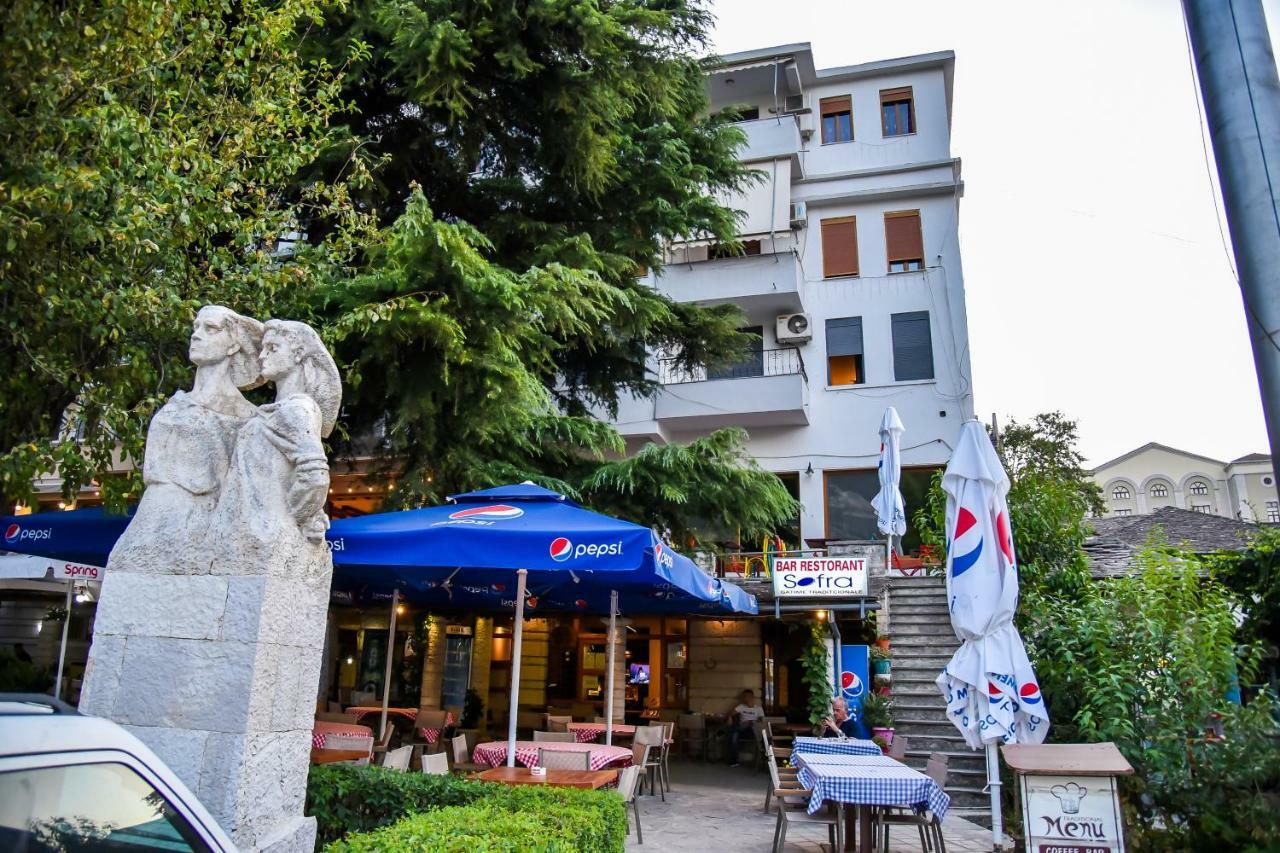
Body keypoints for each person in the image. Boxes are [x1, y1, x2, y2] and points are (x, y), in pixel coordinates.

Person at [725, 689, 765, 766]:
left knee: (736, 730)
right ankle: (734, 761)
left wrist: (752, 722)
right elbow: (730, 713)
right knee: (734, 735)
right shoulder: (741, 706)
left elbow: (761, 721)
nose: (743, 699)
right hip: (742, 730)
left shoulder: (758, 708)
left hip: (753, 731)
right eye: (743, 697)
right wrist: (729, 717)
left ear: (751, 697)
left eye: (745, 697)